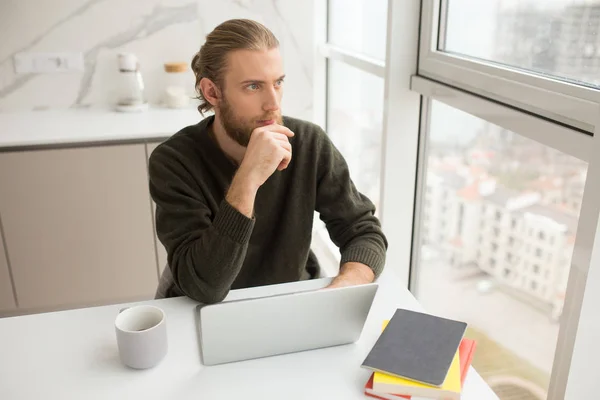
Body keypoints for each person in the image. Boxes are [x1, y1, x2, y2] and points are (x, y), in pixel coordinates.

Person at [149, 19, 388, 304]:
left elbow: (362, 231)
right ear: (212, 92)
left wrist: (346, 286)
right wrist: (248, 178)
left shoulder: (309, 143)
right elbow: (205, 287)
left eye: (278, 82)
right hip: (204, 307)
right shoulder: (174, 161)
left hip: (289, 298)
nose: (273, 103)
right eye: (253, 86)